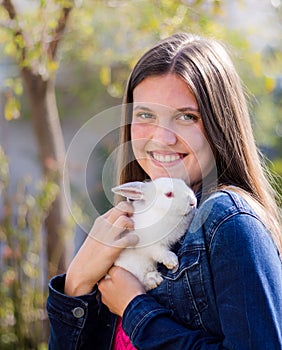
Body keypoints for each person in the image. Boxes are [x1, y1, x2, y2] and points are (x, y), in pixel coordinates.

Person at [47, 33, 282, 349]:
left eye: (187, 116)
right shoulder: (125, 230)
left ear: (219, 125)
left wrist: (135, 308)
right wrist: (77, 282)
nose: (162, 138)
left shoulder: (228, 222)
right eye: (146, 115)